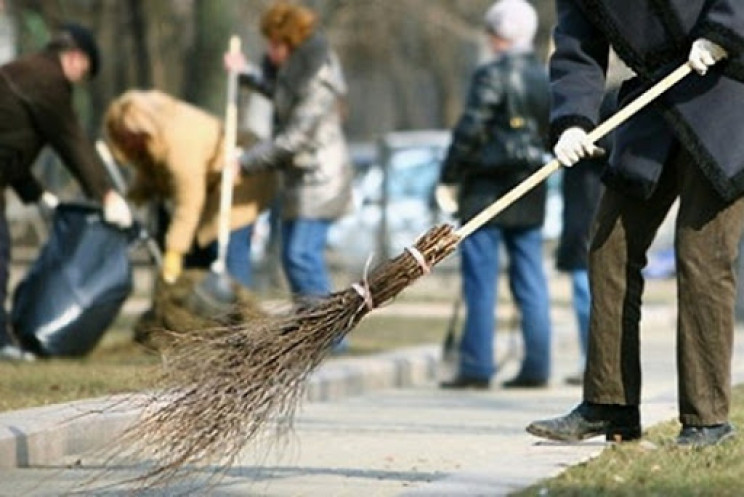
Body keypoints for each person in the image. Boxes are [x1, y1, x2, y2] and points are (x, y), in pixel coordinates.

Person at [527, 0, 744, 447]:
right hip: (656, 100)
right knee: (610, 244)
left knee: (700, 255)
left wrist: (724, 31)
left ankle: (707, 421)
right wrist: (572, 120)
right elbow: (576, 47)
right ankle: (610, 405)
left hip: (726, 95)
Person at [437, 0, 552, 390]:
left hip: (486, 189)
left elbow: (470, 130)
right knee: (530, 277)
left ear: (498, 35)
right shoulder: (544, 76)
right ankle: (537, 365)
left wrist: (448, 176)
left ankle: (477, 366)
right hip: (530, 186)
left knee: (480, 280)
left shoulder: (491, 75)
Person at [0, 23, 132, 361]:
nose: (79, 81)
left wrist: (36, 193)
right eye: (84, 72)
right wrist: (106, 194)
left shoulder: (25, 72)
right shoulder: (47, 80)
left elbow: (9, 146)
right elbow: (71, 142)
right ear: (75, 58)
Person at [226, 2, 353, 303]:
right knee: (292, 256)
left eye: (274, 44)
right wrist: (244, 73)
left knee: (301, 255)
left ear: (290, 42)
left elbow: (295, 138)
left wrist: (244, 163)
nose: (270, 51)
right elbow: (278, 93)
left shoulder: (318, 77)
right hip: (301, 179)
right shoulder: (293, 71)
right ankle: (316, 331)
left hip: (322, 180)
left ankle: (329, 334)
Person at [103, 89, 276, 287]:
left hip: (240, 179)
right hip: (214, 184)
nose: (125, 144)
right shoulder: (155, 139)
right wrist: (128, 199)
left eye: (126, 137)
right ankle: (208, 310)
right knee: (200, 248)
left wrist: (174, 251)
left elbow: (189, 203)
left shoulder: (179, 141)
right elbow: (152, 176)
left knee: (225, 247)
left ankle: (243, 310)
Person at [558, 89, 616, 386]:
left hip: (595, 203)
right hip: (583, 199)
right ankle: (590, 360)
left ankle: (596, 363)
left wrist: (596, 143)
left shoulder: (611, 94)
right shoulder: (576, 94)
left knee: (589, 288)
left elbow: (621, 140)